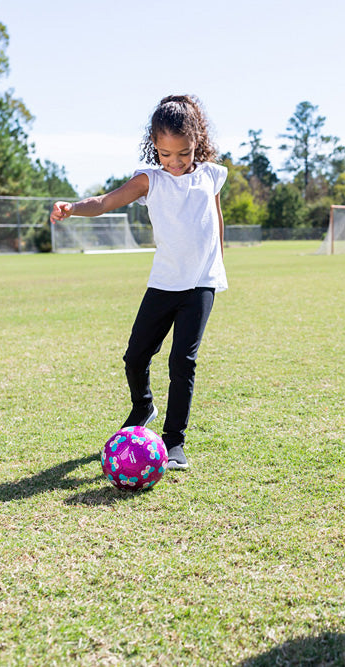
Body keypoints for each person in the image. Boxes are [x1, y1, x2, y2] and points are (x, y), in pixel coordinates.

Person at [50, 94, 226, 471]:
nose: (174, 162)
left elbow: (216, 217)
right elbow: (104, 202)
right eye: (165, 154)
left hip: (200, 284)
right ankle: (143, 404)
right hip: (164, 281)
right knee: (136, 355)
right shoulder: (151, 180)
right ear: (154, 147)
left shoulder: (211, 174)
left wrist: (219, 265)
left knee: (183, 361)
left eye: (183, 153)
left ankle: (174, 442)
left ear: (197, 140)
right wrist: (73, 208)